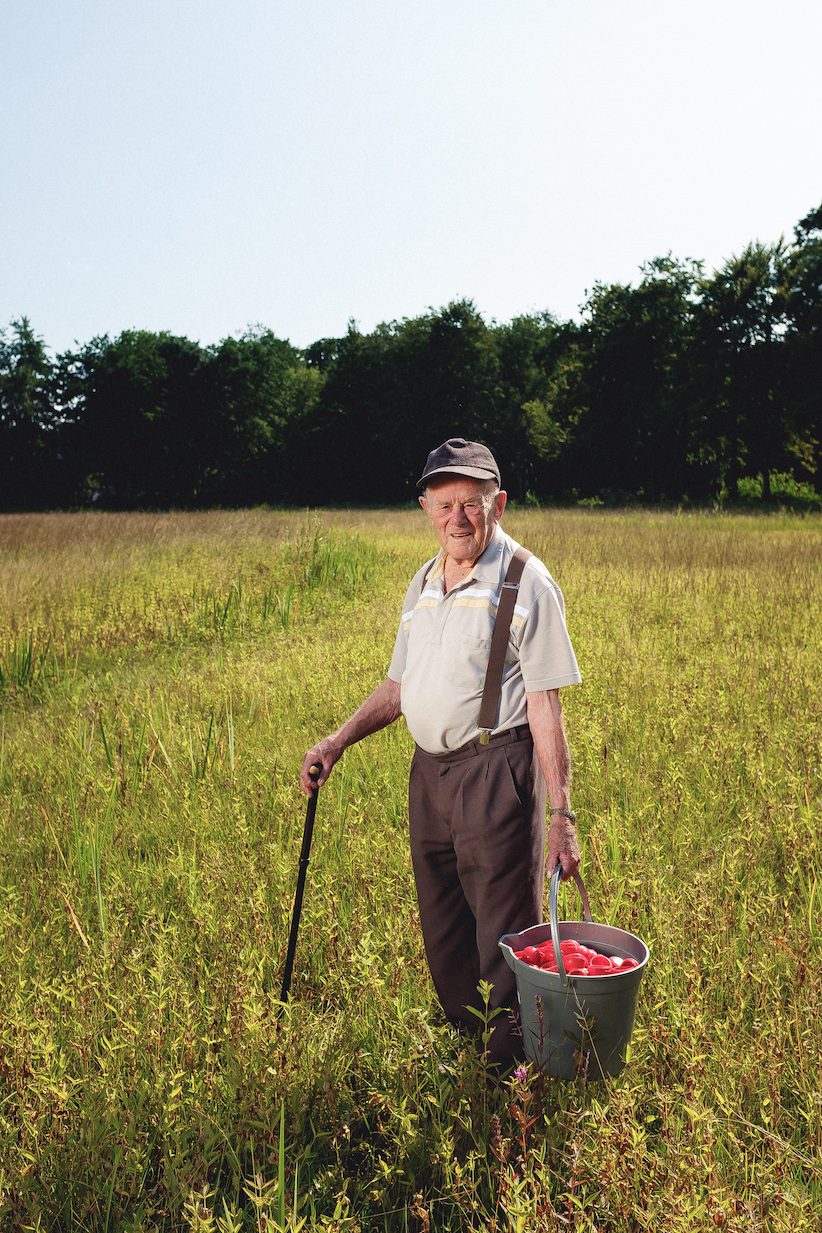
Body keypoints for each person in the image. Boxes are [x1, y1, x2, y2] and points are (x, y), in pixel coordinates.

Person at [300, 437, 582, 1065]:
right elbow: (400, 685)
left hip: (495, 773)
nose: (457, 517)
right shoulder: (423, 581)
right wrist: (337, 741)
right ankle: (468, 1050)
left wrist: (561, 818)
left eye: (472, 503)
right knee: (444, 926)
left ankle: (511, 1071)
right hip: (429, 776)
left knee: (505, 935)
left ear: (498, 504)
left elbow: (545, 705)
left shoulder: (526, 580)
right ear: (426, 507)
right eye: (444, 503)